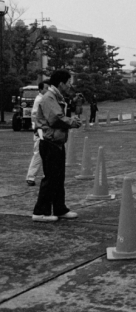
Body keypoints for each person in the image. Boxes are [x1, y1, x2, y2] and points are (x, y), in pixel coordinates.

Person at [32, 70, 83, 222]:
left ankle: (59, 209)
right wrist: (72, 122)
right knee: (51, 178)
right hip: (49, 142)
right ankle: (40, 212)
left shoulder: (55, 97)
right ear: (61, 83)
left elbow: (58, 117)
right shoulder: (49, 97)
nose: (70, 86)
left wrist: (69, 120)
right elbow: (55, 118)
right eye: (68, 82)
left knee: (58, 178)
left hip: (56, 142)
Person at [26, 81, 49, 186]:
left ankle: (45, 175)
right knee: (39, 153)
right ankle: (31, 177)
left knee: (44, 153)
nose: (47, 90)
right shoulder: (40, 100)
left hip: (41, 129)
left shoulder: (43, 99)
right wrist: (37, 129)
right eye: (45, 88)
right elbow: (35, 115)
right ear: (40, 90)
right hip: (40, 130)